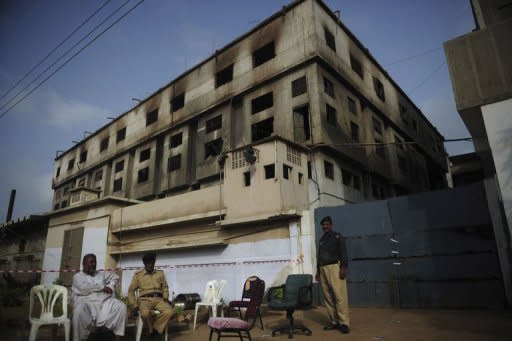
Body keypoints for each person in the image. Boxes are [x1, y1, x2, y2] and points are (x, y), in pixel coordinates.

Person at [72, 253, 127, 341]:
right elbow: (84, 288)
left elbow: (115, 277)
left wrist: (111, 286)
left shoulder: (101, 274)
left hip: (104, 302)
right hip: (87, 304)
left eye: (95, 262)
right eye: (91, 262)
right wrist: (102, 287)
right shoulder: (77, 277)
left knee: (121, 306)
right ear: (84, 264)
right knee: (78, 311)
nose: (94, 264)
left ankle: (117, 337)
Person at [315, 216, 350, 334]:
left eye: (327, 224)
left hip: (335, 267)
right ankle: (334, 322)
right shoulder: (322, 240)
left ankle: (344, 323)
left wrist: (343, 267)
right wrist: (318, 272)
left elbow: (343, 252)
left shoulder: (337, 236)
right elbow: (319, 256)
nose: (325, 226)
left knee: (339, 296)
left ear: (331, 225)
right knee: (328, 297)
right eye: (323, 225)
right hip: (323, 268)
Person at [128, 253, 174, 336]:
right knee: (145, 313)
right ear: (144, 263)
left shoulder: (160, 273)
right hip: (144, 300)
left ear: (154, 263)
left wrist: (166, 298)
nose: (150, 265)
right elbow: (131, 291)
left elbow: (165, 287)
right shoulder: (138, 275)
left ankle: (154, 330)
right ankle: (151, 330)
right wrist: (134, 305)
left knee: (169, 311)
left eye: (152, 263)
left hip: (160, 300)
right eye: (148, 263)